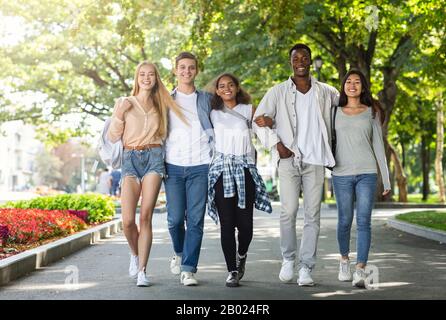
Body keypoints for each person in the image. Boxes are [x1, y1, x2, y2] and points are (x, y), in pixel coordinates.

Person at [253, 43, 339, 286]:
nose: (300, 61)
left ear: (310, 61)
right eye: (296, 58)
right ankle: (288, 259)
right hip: (288, 161)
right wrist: (276, 144)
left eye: (305, 57)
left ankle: (306, 267)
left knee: (313, 215)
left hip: (315, 160)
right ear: (290, 62)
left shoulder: (325, 91)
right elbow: (257, 122)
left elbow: (348, 103)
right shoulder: (278, 92)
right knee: (288, 212)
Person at [107, 61, 186, 287]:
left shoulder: (162, 103)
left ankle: (142, 270)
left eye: (151, 74)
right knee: (128, 221)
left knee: (145, 217)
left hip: (154, 157)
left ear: (156, 78)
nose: (146, 78)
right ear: (136, 78)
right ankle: (134, 254)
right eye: (142, 74)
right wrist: (120, 115)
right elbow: (113, 137)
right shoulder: (124, 103)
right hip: (130, 160)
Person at [207, 73, 272, 287]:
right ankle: (232, 271)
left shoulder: (248, 110)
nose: (226, 89)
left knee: (245, 225)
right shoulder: (212, 113)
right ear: (216, 90)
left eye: (230, 85)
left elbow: (264, 134)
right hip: (221, 170)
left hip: (244, 169)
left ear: (237, 88)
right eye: (222, 86)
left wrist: (269, 122)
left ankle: (241, 255)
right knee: (227, 224)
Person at [331, 69, 390, 288]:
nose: (352, 85)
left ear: (363, 87)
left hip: (367, 173)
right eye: (349, 81)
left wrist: (386, 179)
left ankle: (360, 269)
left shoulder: (371, 112)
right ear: (344, 86)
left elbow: (378, 146)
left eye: (357, 82)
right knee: (345, 221)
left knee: (364, 222)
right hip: (341, 174)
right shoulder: (334, 111)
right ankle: (344, 261)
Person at [164, 52, 214, 286]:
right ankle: (179, 251)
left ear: (196, 70)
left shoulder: (206, 99)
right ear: (175, 70)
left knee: (195, 220)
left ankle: (188, 269)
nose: (186, 71)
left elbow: (224, 119)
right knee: (174, 220)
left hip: (200, 166)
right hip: (173, 166)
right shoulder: (166, 99)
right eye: (182, 68)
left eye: (191, 68)